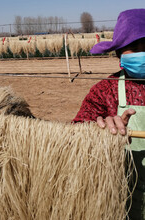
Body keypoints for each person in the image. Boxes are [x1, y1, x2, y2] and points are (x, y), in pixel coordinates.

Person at [72, 9, 145, 220]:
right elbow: (75, 133)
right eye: (134, 48)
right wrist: (101, 129)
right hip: (126, 200)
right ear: (119, 55)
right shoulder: (104, 91)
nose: (143, 53)